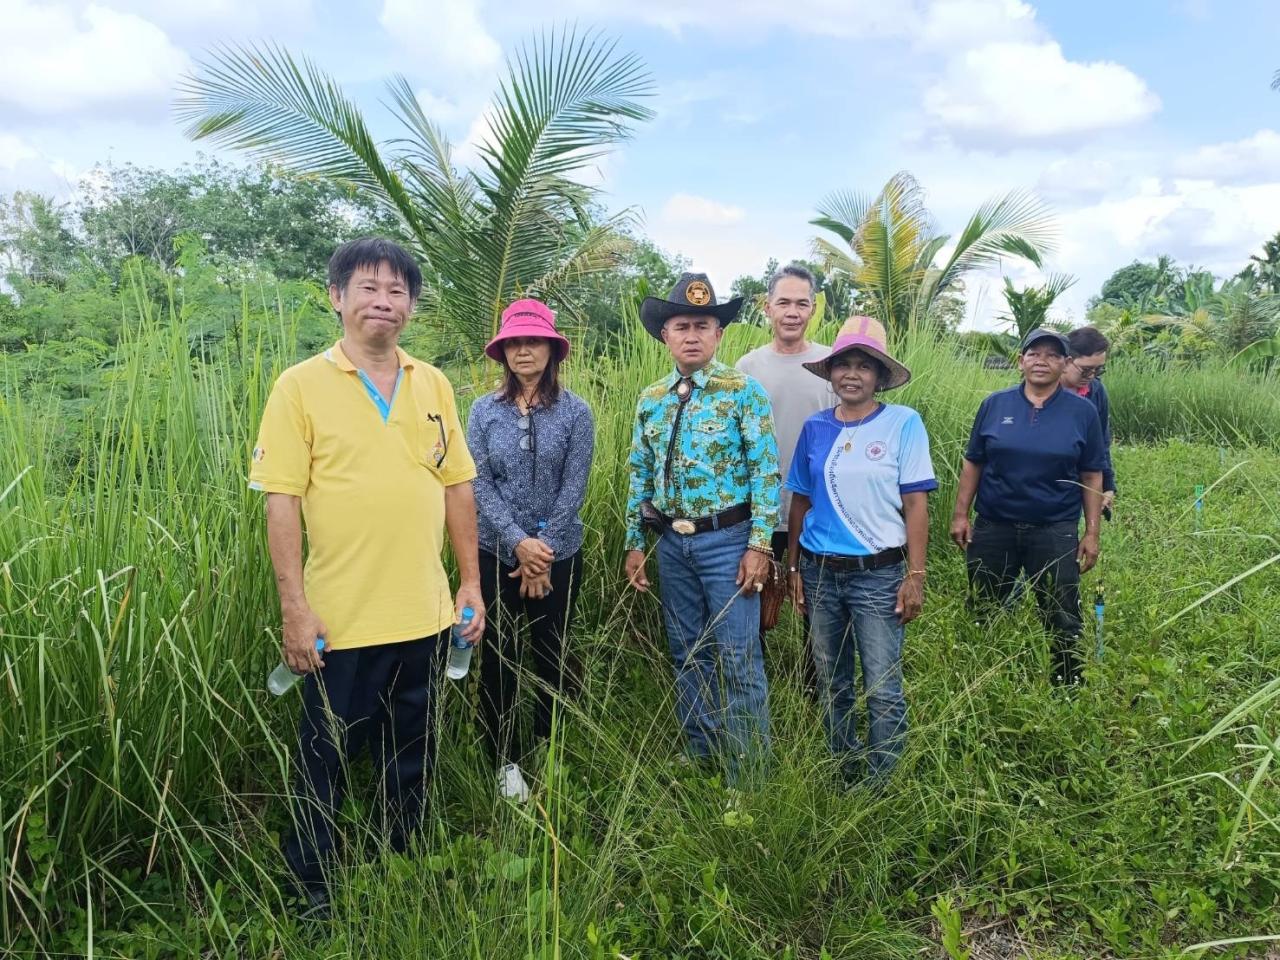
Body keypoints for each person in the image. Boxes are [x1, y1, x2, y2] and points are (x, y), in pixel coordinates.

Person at [249, 237, 484, 914]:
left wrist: (468, 584)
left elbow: (457, 488)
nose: (384, 302)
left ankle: (400, 863)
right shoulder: (300, 385)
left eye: (398, 291)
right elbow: (282, 500)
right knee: (323, 758)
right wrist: (295, 610)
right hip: (339, 620)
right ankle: (312, 891)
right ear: (338, 297)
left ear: (410, 305)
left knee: (412, 750)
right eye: (369, 288)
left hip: (426, 613)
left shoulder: (432, 382)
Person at [624, 272, 780, 786]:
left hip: (728, 543)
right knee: (687, 651)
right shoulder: (651, 398)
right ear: (664, 335)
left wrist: (760, 546)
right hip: (672, 543)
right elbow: (640, 471)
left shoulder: (743, 392)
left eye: (703, 325)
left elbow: (765, 472)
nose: (692, 335)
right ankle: (703, 751)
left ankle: (749, 776)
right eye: (681, 325)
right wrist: (633, 542)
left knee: (738, 657)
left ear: (719, 335)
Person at [785, 316, 936, 784]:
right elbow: (800, 500)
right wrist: (792, 567)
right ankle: (842, 766)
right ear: (830, 373)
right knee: (832, 680)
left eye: (863, 366)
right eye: (843, 365)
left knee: (883, 684)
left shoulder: (902, 423)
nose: (852, 374)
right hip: (820, 571)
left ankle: (883, 778)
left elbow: (915, 504)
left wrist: (915, 575)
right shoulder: (814, 428)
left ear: (879, 376)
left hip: (880, 574)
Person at [468, 299, 594, 804]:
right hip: (495, 552)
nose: (524, 350)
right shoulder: (482, 411)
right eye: (515, 342)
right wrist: (519, 544)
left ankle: (550, 743)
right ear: (503, 352)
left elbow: (574, 485)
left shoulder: (576, 411)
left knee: (551, 652)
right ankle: (504, 756)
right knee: (498, 656)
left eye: (534, 341)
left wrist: (541, 551)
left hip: (559, 553)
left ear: (551, 349)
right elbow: (477, 483)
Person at [950, 328, 1105, 686]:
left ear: (1065, 364)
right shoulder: (995, 404)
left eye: (1052, 355)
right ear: (1021, 361)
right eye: (1034, 354)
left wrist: (1091, 532)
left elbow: (1092, 474)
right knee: (983, 607)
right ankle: (977, 683)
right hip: (994, 527)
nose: (1042, 361)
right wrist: (960, 514)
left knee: (1062, 614)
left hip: (1053, 529)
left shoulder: (1082, 412)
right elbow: (974, 462)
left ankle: (1066, 687)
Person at [736, 263, 833, 691]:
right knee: (754, 598)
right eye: (783, 302)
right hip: (760, 509)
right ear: (767, 307)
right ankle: (754, 683)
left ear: (813, 308)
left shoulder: (830, 362)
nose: (792, 312)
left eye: (801, 303)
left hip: (819, 508)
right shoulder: (748, 365)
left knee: (817, 602)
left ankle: (816, 686)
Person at [1062, 325, 1116, 516]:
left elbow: (1102, 443)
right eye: (1085, 370)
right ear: (1066, 361)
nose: (1091, 376)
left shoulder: (1096, 392)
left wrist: (1108, 485)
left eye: (1098, 370)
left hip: (1083, 479)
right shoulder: (1041, 390)